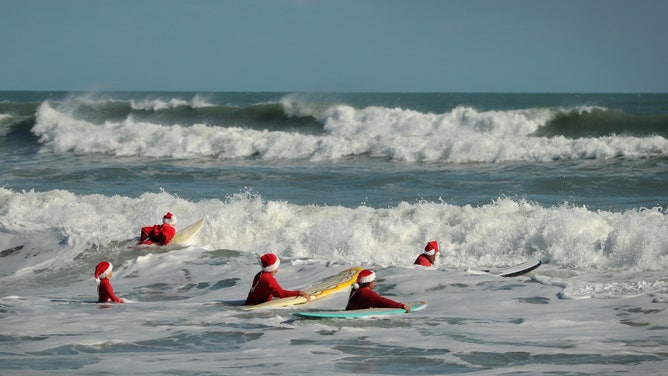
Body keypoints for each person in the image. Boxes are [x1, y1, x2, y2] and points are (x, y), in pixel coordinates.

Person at [244, 253, 312, 305]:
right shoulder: (268, 279)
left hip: (249, 303)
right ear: (272, 268)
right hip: (257, 308)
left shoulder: (260, 274)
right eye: (276, 267)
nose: (277, 270)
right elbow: (281, 294)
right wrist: (300, 293)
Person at [346, 269, 410, 312]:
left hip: (350, 313)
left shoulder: (356, 288)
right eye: (373, 281)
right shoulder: (365, 292)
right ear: (369, 282)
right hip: (354, 317)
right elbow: (381, 301)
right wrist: (401, 306)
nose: (374, 283)